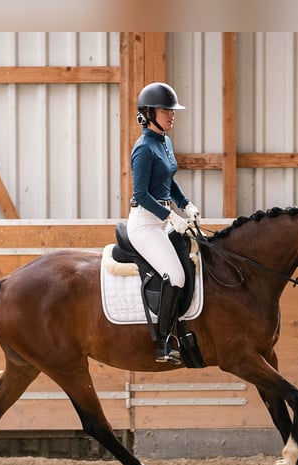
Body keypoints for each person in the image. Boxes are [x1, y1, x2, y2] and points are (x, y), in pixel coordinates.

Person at [127, 81, 200, 364]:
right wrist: (171, 217)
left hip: (165, 219)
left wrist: (185, 204)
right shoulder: (144, 148)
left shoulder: (165, 142)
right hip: (146, 224)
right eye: (166, 110)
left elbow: (168, 178)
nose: (172, 115)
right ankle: (165, 343)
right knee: (176, 275)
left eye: (172, 110)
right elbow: (141, 195)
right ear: (148, 113)